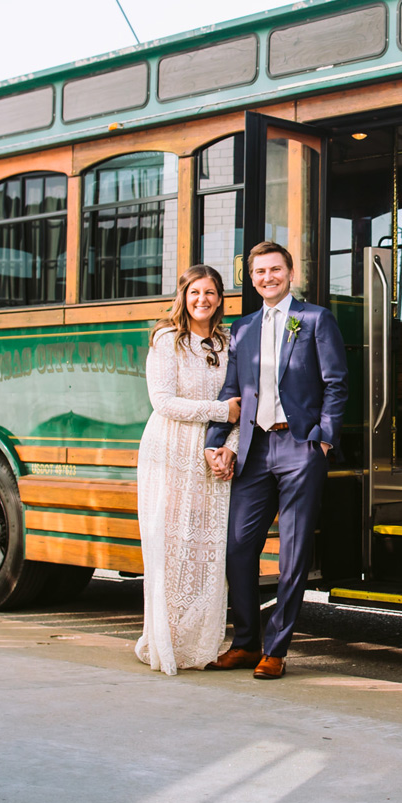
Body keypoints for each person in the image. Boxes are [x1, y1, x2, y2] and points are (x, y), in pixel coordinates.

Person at [204, 241, 348, 680]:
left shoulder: (315, 319)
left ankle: (277, 648)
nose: (268, 277)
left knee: (293, 552)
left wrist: (321, 440)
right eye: (260, 272)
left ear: (289, 273)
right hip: (254, 449)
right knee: (238, 548)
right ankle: (246, 642)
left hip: (298, 448)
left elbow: (336, 384)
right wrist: (216, 441)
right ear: (251, 279)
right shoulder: (242, 329)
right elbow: (231, 390)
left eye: (275, 270)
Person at [132, 265, 241, 674]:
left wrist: (227, 449)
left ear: (219, 299)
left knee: (206, 548)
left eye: (211, 292)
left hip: (211, 454)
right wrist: (218, 411)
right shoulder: (166, 339)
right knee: (171, 546)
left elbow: (240, 404)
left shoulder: (228, 341)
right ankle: (164, 640)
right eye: (195, 292)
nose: (203, 300)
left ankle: (198, 643)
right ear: (184, 296)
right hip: (170, 450)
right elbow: (162, 401)